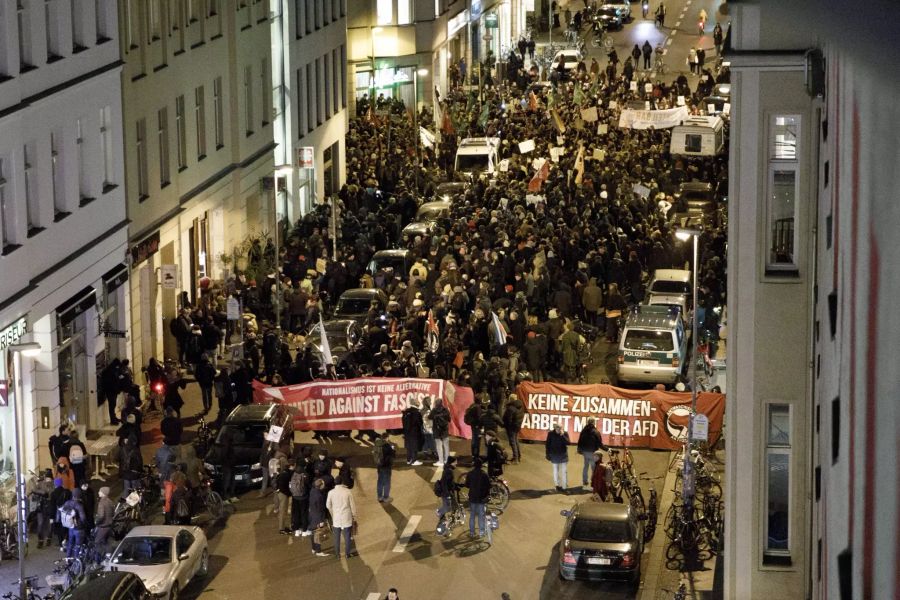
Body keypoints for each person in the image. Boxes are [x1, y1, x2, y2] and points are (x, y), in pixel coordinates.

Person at [325, 475, 358, 559]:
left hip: (336, 518)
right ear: (342, 482)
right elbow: (352, 505)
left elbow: (328, 505)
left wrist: (333, 513)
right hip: (346, 517)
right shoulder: (347, 492)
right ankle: (347, 554)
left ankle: (337, 554)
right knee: (347, 536)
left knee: (336, 537)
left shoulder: (331, 492)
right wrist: (354, 516)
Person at [464, 458, 492, 543]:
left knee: (472, 515)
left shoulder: (470, 474)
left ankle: (472, 532)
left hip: (472, 498)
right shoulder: (484, 474)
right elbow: (488, 486)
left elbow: (467, 485)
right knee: (481, 515)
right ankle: (481, 532)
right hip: (481, 498)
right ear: (481, 465)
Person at [60, 487, 88, 559]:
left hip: (71, 526)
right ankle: (76, 560)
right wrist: (84, 524)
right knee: (78, 545)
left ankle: (68, 558)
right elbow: (83, 518)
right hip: (79, 528)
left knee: (70, 543)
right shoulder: (79, 505)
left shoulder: (67, 502)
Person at [577, 418, 606, 487]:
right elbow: (600, 444)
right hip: (593, 452)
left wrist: (579, 449)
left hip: (585, 452)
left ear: (588, 422)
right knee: (594, 468)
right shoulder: (596, 432)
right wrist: (607, 449)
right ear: (593, 423)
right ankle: (593, 481)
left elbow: (580, 441)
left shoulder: (583, 431)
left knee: (586, 466)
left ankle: (585, 481)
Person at [32, 470, 54, 549]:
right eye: (47, 478)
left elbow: (56, 493)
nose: (48, 480)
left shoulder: (54, 484)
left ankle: (49, 538)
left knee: (50, 524)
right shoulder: (41, 483)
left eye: (49, 478)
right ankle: (40, 540)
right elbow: (34, 489)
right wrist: (42, 492)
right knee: (40, 524)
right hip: (41, 506)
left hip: (51, 506)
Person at [545, 423, 570, 492]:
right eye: (558, 428)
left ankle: (564, 487)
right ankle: (557, 485)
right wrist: (547, 454)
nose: (559, 429)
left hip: (563, 455)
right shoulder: (550, 434)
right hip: (554, 455)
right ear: (555, 428)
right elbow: (547, 444)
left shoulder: (564, 433)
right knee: (555, 471)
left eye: (561, 428)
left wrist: (562, 436)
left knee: (564, 472)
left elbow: (568, 443)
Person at [308, 477, 329, 556]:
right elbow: (320, 509)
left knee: (313, 533)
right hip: (317, 517)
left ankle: (313, 548)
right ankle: (318, 551)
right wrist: (321, 521)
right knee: (318, 533)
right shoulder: (319, 496)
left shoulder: (312, 491)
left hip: (312, 515)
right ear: (320, 485)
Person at [428, 398, 451, 467]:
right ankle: (447, 460)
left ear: (435, 403)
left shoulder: (434, 410)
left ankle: (441, 461)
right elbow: (449, 419)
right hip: (444, 430)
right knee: (446, 446)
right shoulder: (445, 410)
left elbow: (429, 417)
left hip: (437, 431)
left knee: (439, 446)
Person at [435, 455, 458, 526]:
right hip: (447, 493)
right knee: (447, 508)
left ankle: (452, 519)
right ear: (452, 463)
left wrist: (457, 485)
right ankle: (439, 512)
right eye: (455, 462)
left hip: (448, 492)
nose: (456, 463)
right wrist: (447, 494)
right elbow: (444, 483)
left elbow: (449, 482)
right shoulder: (448, 471)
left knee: (454, 506)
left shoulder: (448, 469)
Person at [94, 486, 116, 558]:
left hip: (103, 526)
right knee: (105, 541)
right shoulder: (110, 501)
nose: (98, 492)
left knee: (97, 542)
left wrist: (96, 522)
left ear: (103, 493)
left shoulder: (102, 503)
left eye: (100, 491)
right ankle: (108, 554)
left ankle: (101, 557)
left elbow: (101, 516)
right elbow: (113, 513)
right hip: (109, 525)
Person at [373, 432, 396, 502]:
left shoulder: (377, 444)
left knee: (380, 481)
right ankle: (386, 497)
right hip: (386, 466)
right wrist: (393, 449)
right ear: (387, 437)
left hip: (379, 465)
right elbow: (392, 456)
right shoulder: (387, 446)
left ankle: (379, 497)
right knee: (387, 482)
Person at [401, 398, 424, 466]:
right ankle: (414, 460)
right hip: (414, 432)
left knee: (409, 446)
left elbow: (403, 421)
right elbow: (420, 422)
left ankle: (409, 459)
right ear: (415, 403)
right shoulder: (416, 412)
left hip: (407, 431)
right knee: (414, 446)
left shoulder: (406, 412)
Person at [49, 478, 71, 550]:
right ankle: (66, 540)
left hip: (58, 514)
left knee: (59, 529)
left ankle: (61, 543)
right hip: (67, 513)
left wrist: (51, 517)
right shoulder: (67, 492)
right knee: (66, 527)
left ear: (55, 484)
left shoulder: (53, 493)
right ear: (61, 483)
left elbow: (52, 506)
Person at [502, 395, 524, 463]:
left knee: (512, 442)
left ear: (510, 399)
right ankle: (518, 456)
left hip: (511, 427)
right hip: (517, 426)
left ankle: (515, 458)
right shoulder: (520, 406)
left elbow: (508, 419)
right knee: (516, 441)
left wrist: (506, 426)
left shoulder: (510, 408)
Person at [275, 458, 293, 534]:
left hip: (281, 493)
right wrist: (289, 494)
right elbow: (283, 487)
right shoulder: (285, 474)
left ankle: (283, 527)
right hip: (283, 494)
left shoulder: (284, 473)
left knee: (283, 511)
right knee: (282, 511)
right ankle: (281, 529)